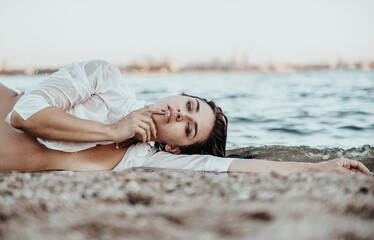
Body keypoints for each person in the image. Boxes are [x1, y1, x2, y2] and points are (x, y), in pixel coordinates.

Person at [0, 60, 371, 175]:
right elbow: (22, 115)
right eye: (189, 105)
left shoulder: (147, 159)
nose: (180, 113)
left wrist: (321, 167)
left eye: (188, 128)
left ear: (176, 149)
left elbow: (229, 169)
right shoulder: (106, 79)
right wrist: (114, 128)